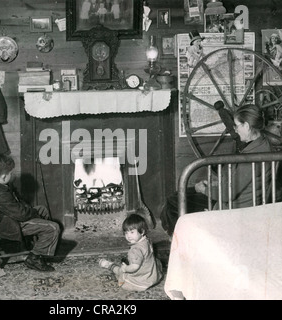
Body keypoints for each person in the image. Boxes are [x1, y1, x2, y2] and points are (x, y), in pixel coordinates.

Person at [161, 104, 272, 237]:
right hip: (242, 204)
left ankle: (182, 244)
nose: (235, 130)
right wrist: (213, 185)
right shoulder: (263, 146)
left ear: (247, 126)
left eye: (237, 125)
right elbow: (239, 184)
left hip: (232, 210)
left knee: (174, 201)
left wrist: (203, 190)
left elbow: (227, 194)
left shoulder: (251, 158)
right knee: (177, 197)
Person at [0, 153, 60, 272]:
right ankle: (34, 258)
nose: (11, 175)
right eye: (10, 173)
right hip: (11, 226)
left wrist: (32, 210)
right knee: (53, 227)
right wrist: (33, 212)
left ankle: (40, 245)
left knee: (42, 209)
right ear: (4, 176)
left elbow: (17, 206)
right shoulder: (1, 195)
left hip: (11, 219)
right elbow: (21, 214)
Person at [98, 214, 163, 291]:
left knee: (121, 272)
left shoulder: (135, 250)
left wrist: (125, 269)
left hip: (140, 282)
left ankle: (109, 265)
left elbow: (134, 267)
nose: (128, 236)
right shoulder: (147, 241)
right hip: (151, 277)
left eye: (132, 232)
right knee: (156, 262)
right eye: (126, 233)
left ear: (142, 231)